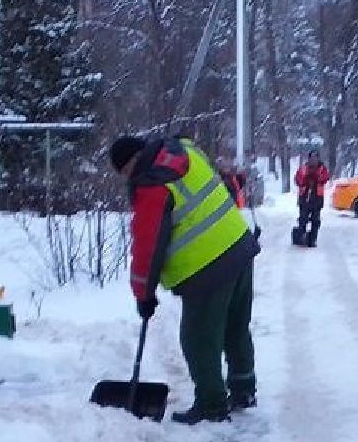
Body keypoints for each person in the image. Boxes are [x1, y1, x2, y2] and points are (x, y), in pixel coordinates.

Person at [109, 134, 259, 424]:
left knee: (198, 338)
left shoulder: (153, 184)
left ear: (131, 164)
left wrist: (143, 294)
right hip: (239, 246)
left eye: (125, 173)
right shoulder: (185, 150)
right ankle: (243, 390)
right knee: (235, 327)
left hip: (207, 268)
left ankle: (212, 406)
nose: (128, 179)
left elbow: (147, 245)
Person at [293, 150, 331, 247]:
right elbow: (297, 179)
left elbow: (325, 178)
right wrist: (305, 180)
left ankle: (312, 239)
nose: (313, 160)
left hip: (317, 199)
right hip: (304, 198)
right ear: (309, 158)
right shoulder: (303, 169)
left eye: (315, 157)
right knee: (303, 219)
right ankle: (301, 236)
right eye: (312, 157)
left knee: (315, 220)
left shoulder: (322, 169)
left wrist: (317, 178)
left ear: (318, 158)